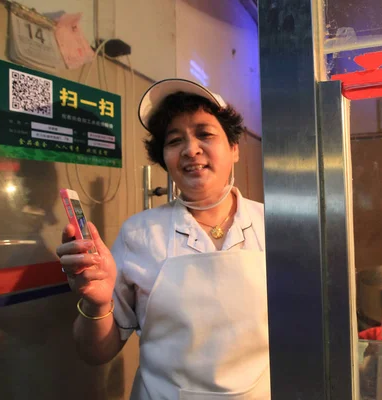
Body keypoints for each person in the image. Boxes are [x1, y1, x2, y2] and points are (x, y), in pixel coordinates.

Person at [56, 79, 270, 399]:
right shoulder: (139, 234)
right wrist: (97, 302)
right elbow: (95, 353)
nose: (191, 149)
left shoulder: (273, 225)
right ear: (164, 158)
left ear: (234, 148)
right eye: (174, 140)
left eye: (205, 134)